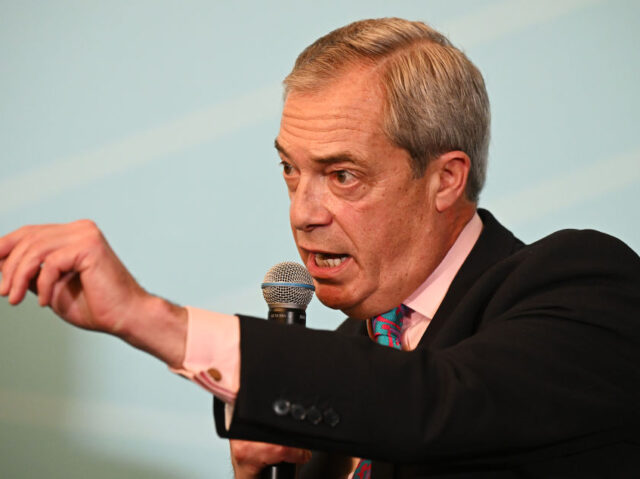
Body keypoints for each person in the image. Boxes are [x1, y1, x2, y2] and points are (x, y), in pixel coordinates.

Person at [1, 17, 639, 479]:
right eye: (290, 170)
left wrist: (149, 318)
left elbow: (439, 403)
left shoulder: (580, 282)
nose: (302, 214)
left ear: (445, 178)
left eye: (343, 176)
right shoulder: (335, 367)